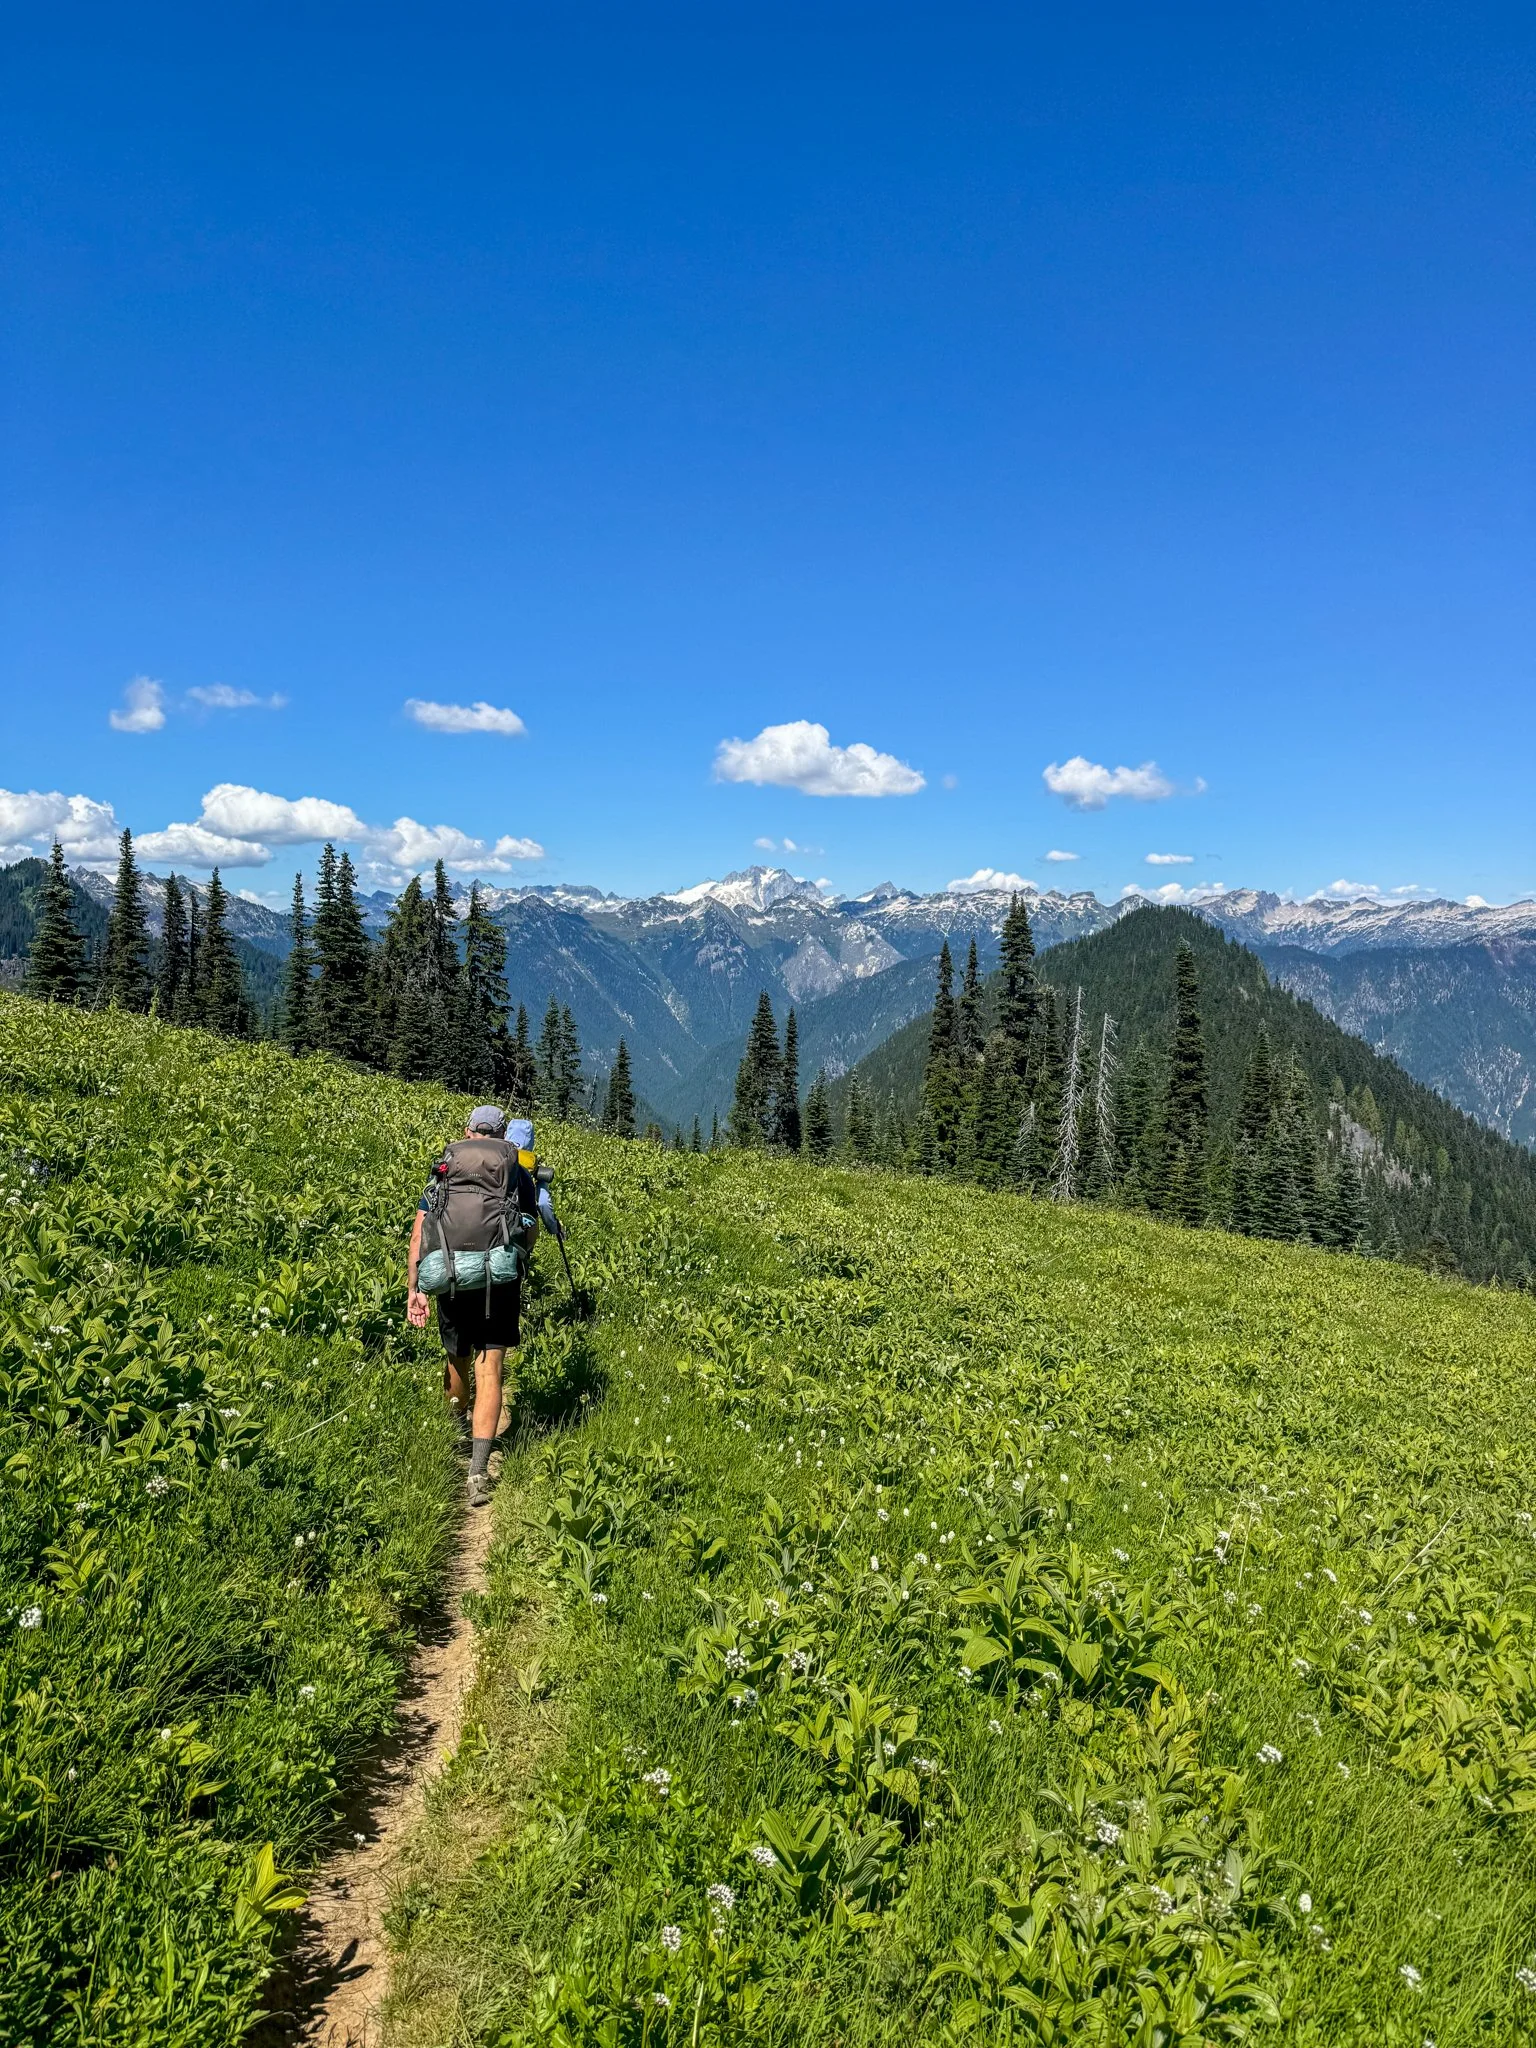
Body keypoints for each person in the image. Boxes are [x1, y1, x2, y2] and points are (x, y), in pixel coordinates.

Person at [406, 1104, 563, 1506]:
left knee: (456, 1357)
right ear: (502, 1133)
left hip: (450, 1275)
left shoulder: (445, 1168)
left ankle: (457, 1432)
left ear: (469, 1130)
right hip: (499, 1281)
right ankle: (478, 1471)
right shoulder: (516, 1172)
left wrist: (416, 1287)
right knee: (490, 1367)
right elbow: (527, 1233)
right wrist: (519, 1258)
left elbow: (421, 1231)